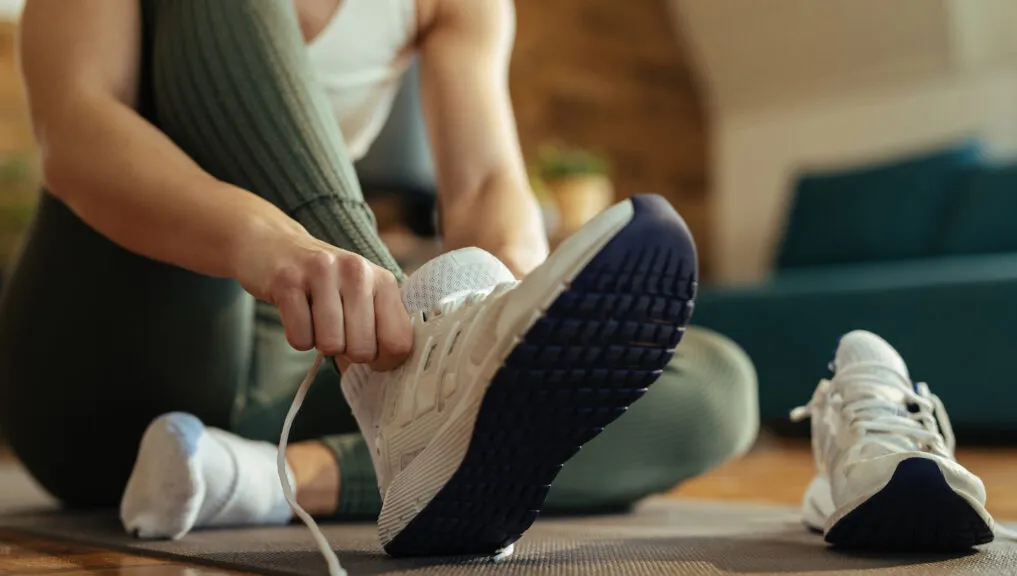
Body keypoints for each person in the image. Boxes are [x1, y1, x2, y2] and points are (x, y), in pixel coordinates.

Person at [0, 0, 758, 560]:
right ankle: (399, 389)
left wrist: (521, 312)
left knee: (718, 385)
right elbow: (75, 129)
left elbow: (488, 183)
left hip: (290, 358)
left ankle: (283, 477)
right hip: (109, 360)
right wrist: (275, 244)